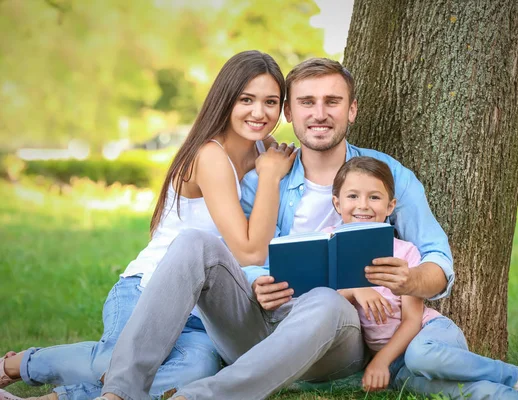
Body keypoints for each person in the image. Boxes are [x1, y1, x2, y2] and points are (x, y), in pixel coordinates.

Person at [96, 58, 454, 400]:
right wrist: (254, 281)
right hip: (260, 325)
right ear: (289, 112)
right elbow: (241, 253)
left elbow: (438, 259)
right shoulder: (266, 176)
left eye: (332, 101)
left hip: (335, 337)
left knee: (325, 298)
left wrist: (411, 281)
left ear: (352, 109)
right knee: (194, 243)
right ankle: (119, 391)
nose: (319, 113)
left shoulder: (387, 177)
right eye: (306, 102)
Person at [0, 50, 296, 400]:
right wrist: (270, 178)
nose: (259, 112)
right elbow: (250, 251)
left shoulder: (264, 147)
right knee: (117, 360)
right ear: (226, 98)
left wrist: (269, 168)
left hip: (201, 313)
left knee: (195, 370)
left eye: (271, 102)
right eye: (247, 99)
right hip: (148, 290)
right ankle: (18, 365)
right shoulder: (210, 156)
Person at [330, 156, 518, 400]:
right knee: (450, 390)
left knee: (420, 356)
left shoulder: (404, 252)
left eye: (374, 197)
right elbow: (318, 297)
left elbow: (413, 320)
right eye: (353, 196)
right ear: (337, 203)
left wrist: (380, 361)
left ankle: (511, 376)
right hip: (398, 367)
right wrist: (356, 290)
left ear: (391, 206)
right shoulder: (328, 243)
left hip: (429, 336)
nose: (363, 205)